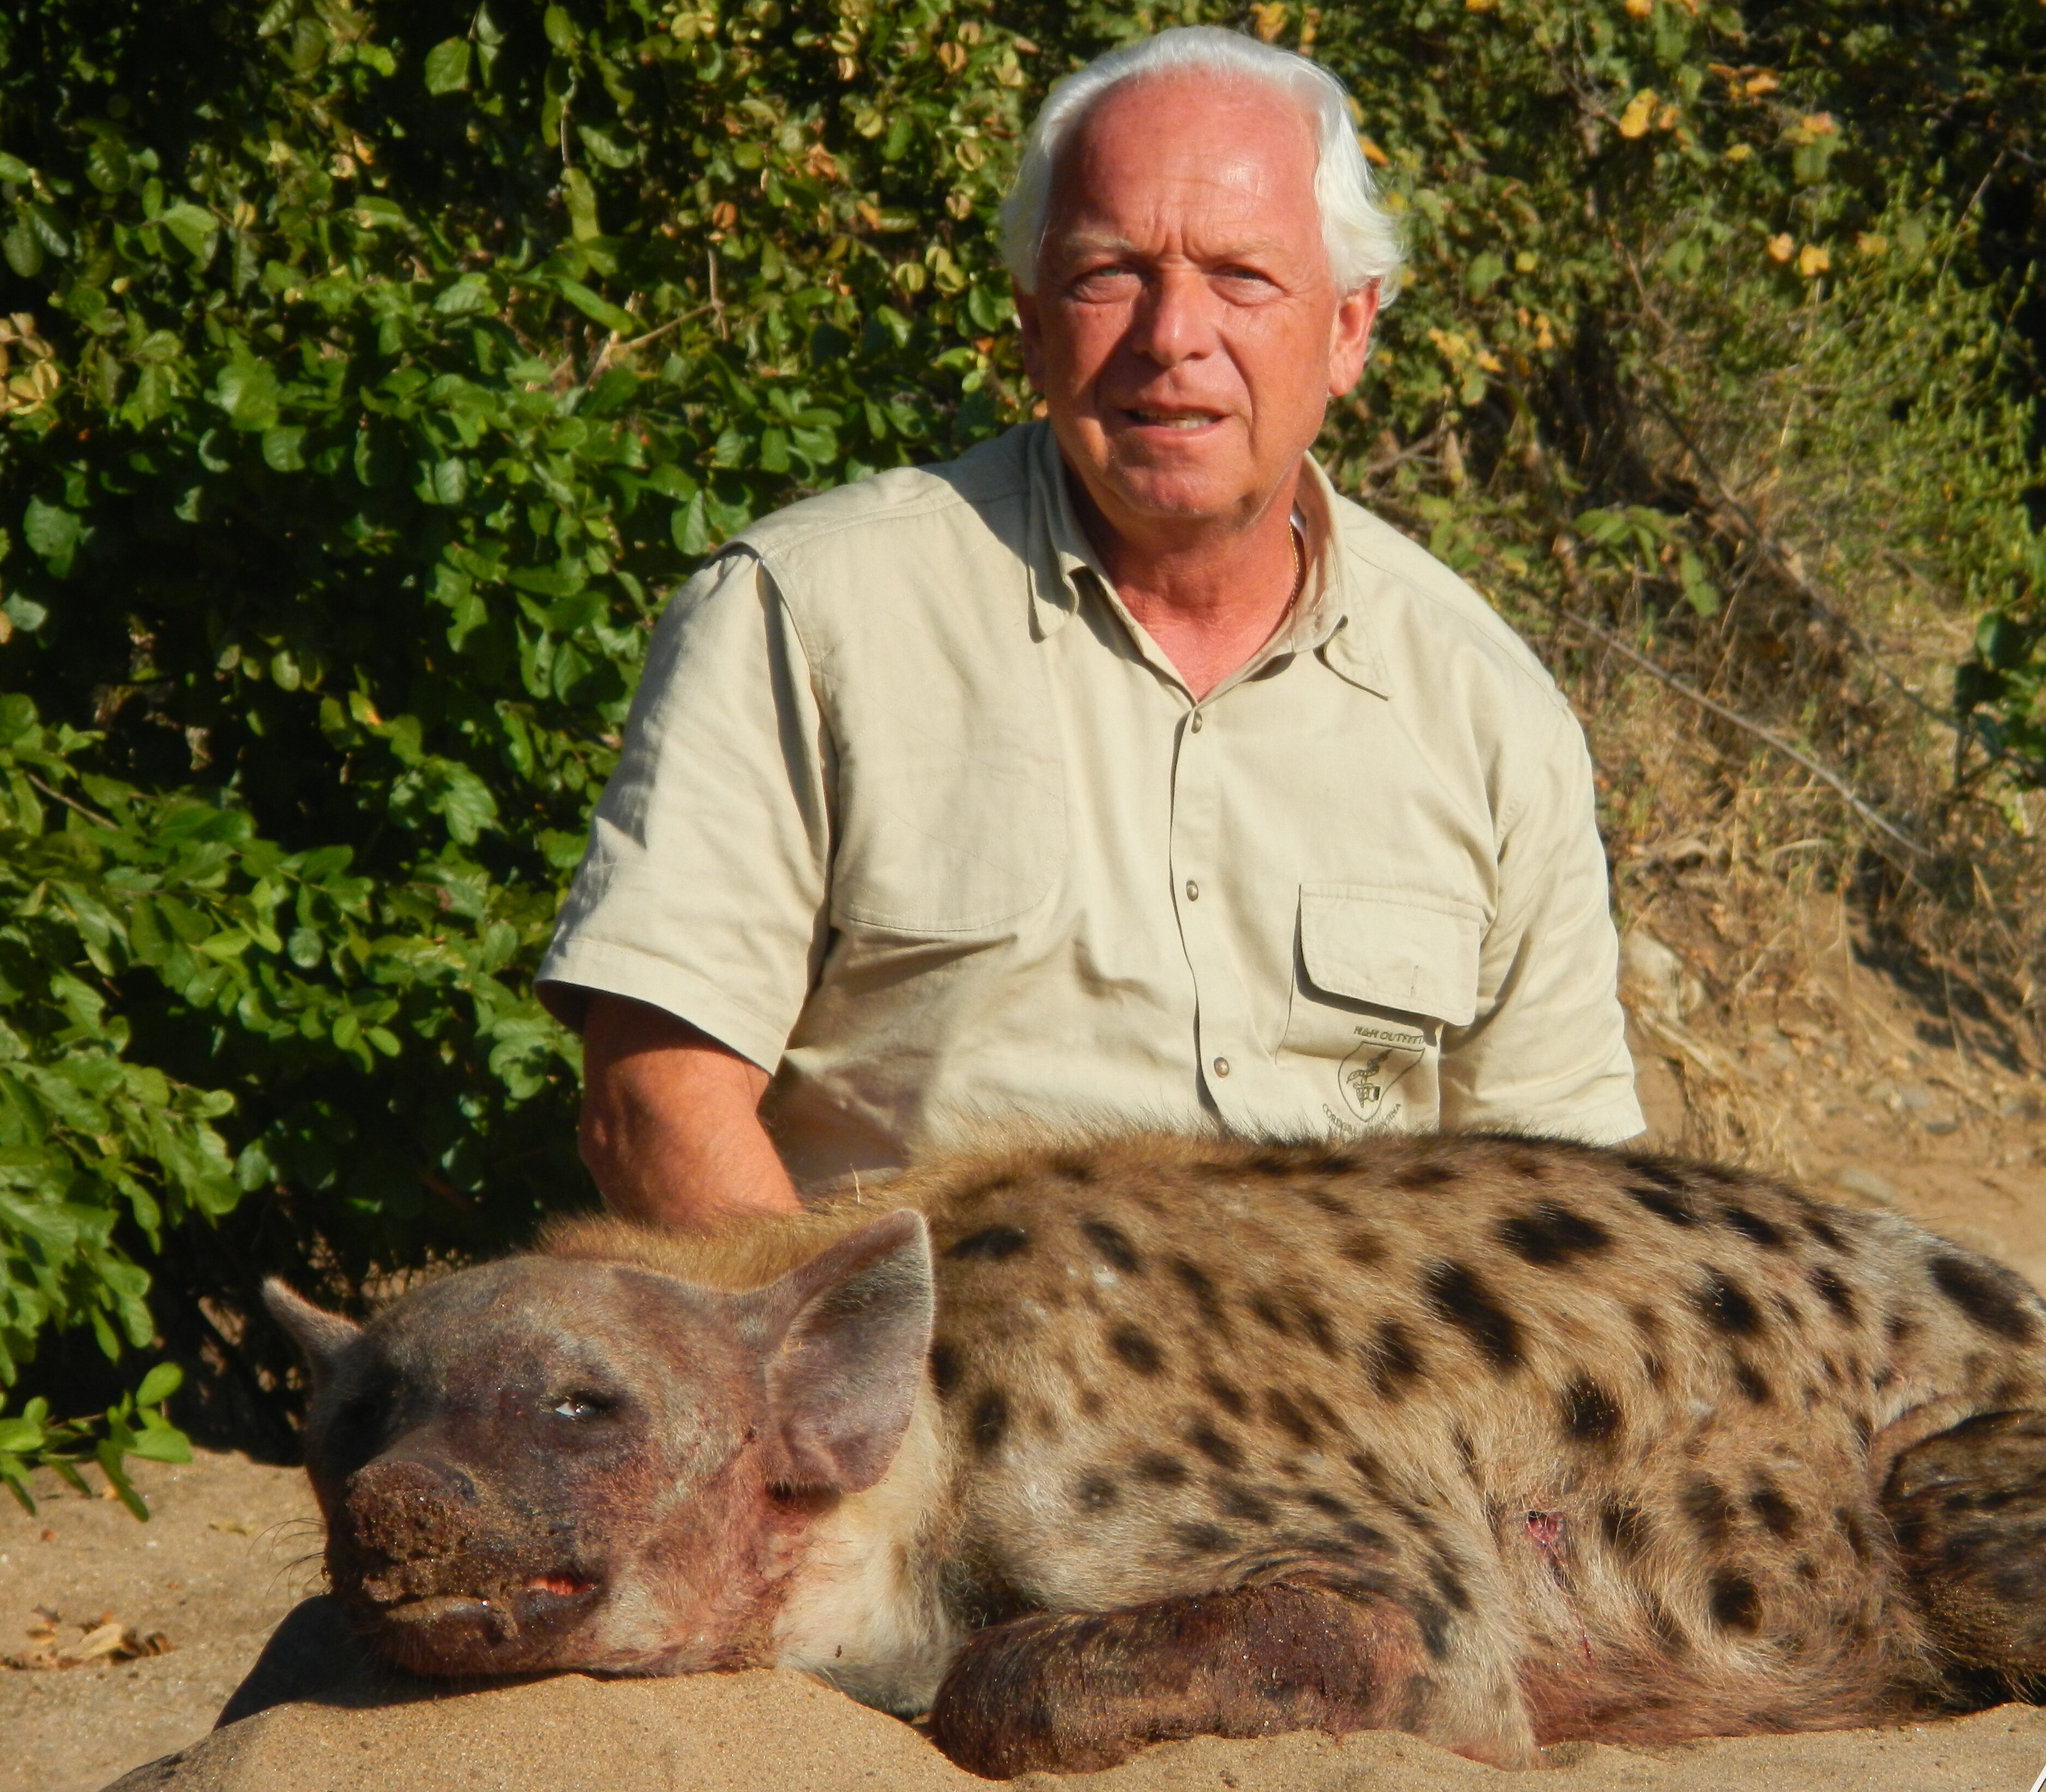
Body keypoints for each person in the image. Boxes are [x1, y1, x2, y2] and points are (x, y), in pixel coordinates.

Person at [535, 26, 1642, 1226]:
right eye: (1108, 273)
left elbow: (1570, 1211)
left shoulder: (1486, 707)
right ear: (1030, 322)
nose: (1173, 337)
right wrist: (848, 1398)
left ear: (1349, 330)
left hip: (1339, 1407)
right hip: (917, 1392)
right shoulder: (807, 615)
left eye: (1243, 277)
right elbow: (654, 1101)